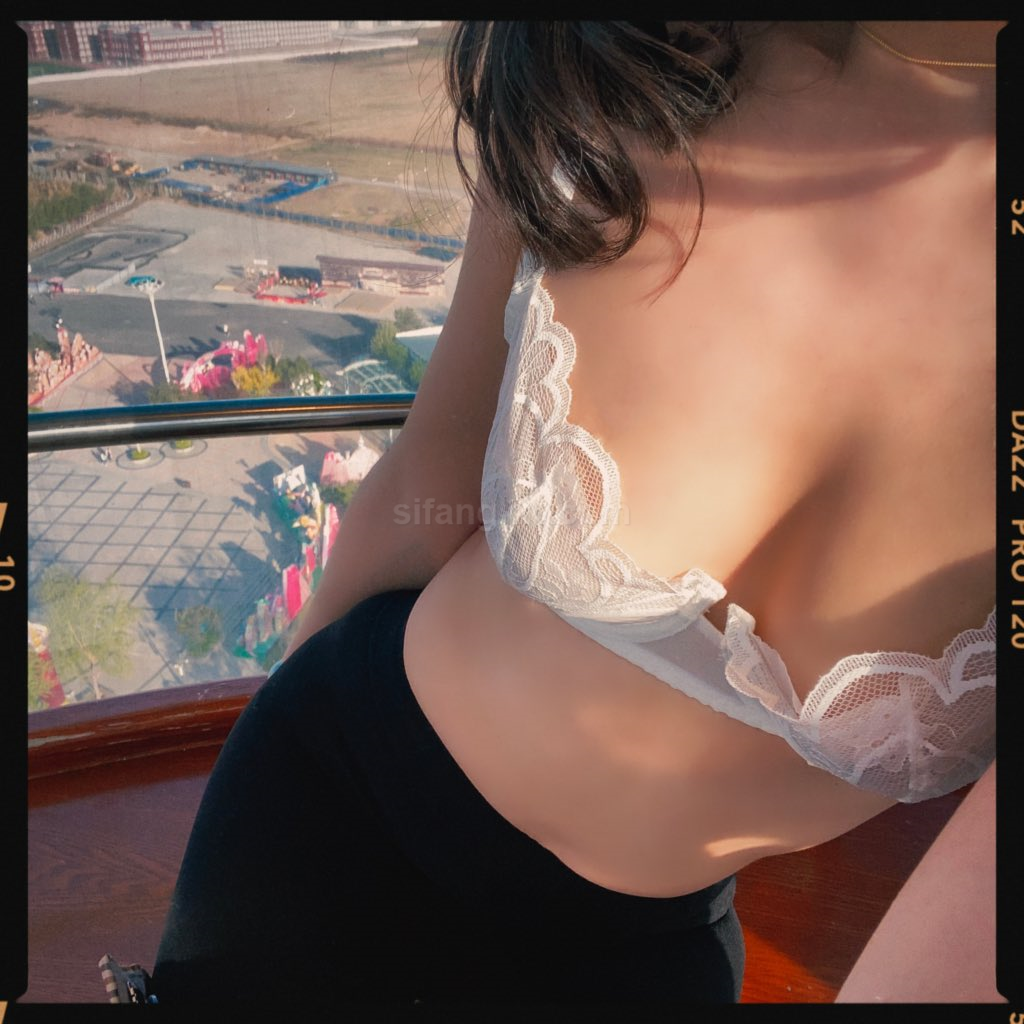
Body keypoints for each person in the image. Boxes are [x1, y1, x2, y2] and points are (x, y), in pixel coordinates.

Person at [147, 21, 998, 1005]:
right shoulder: (630, 52)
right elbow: (431, 465)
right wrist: (254, 771)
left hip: (646, 950)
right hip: (339, 798)